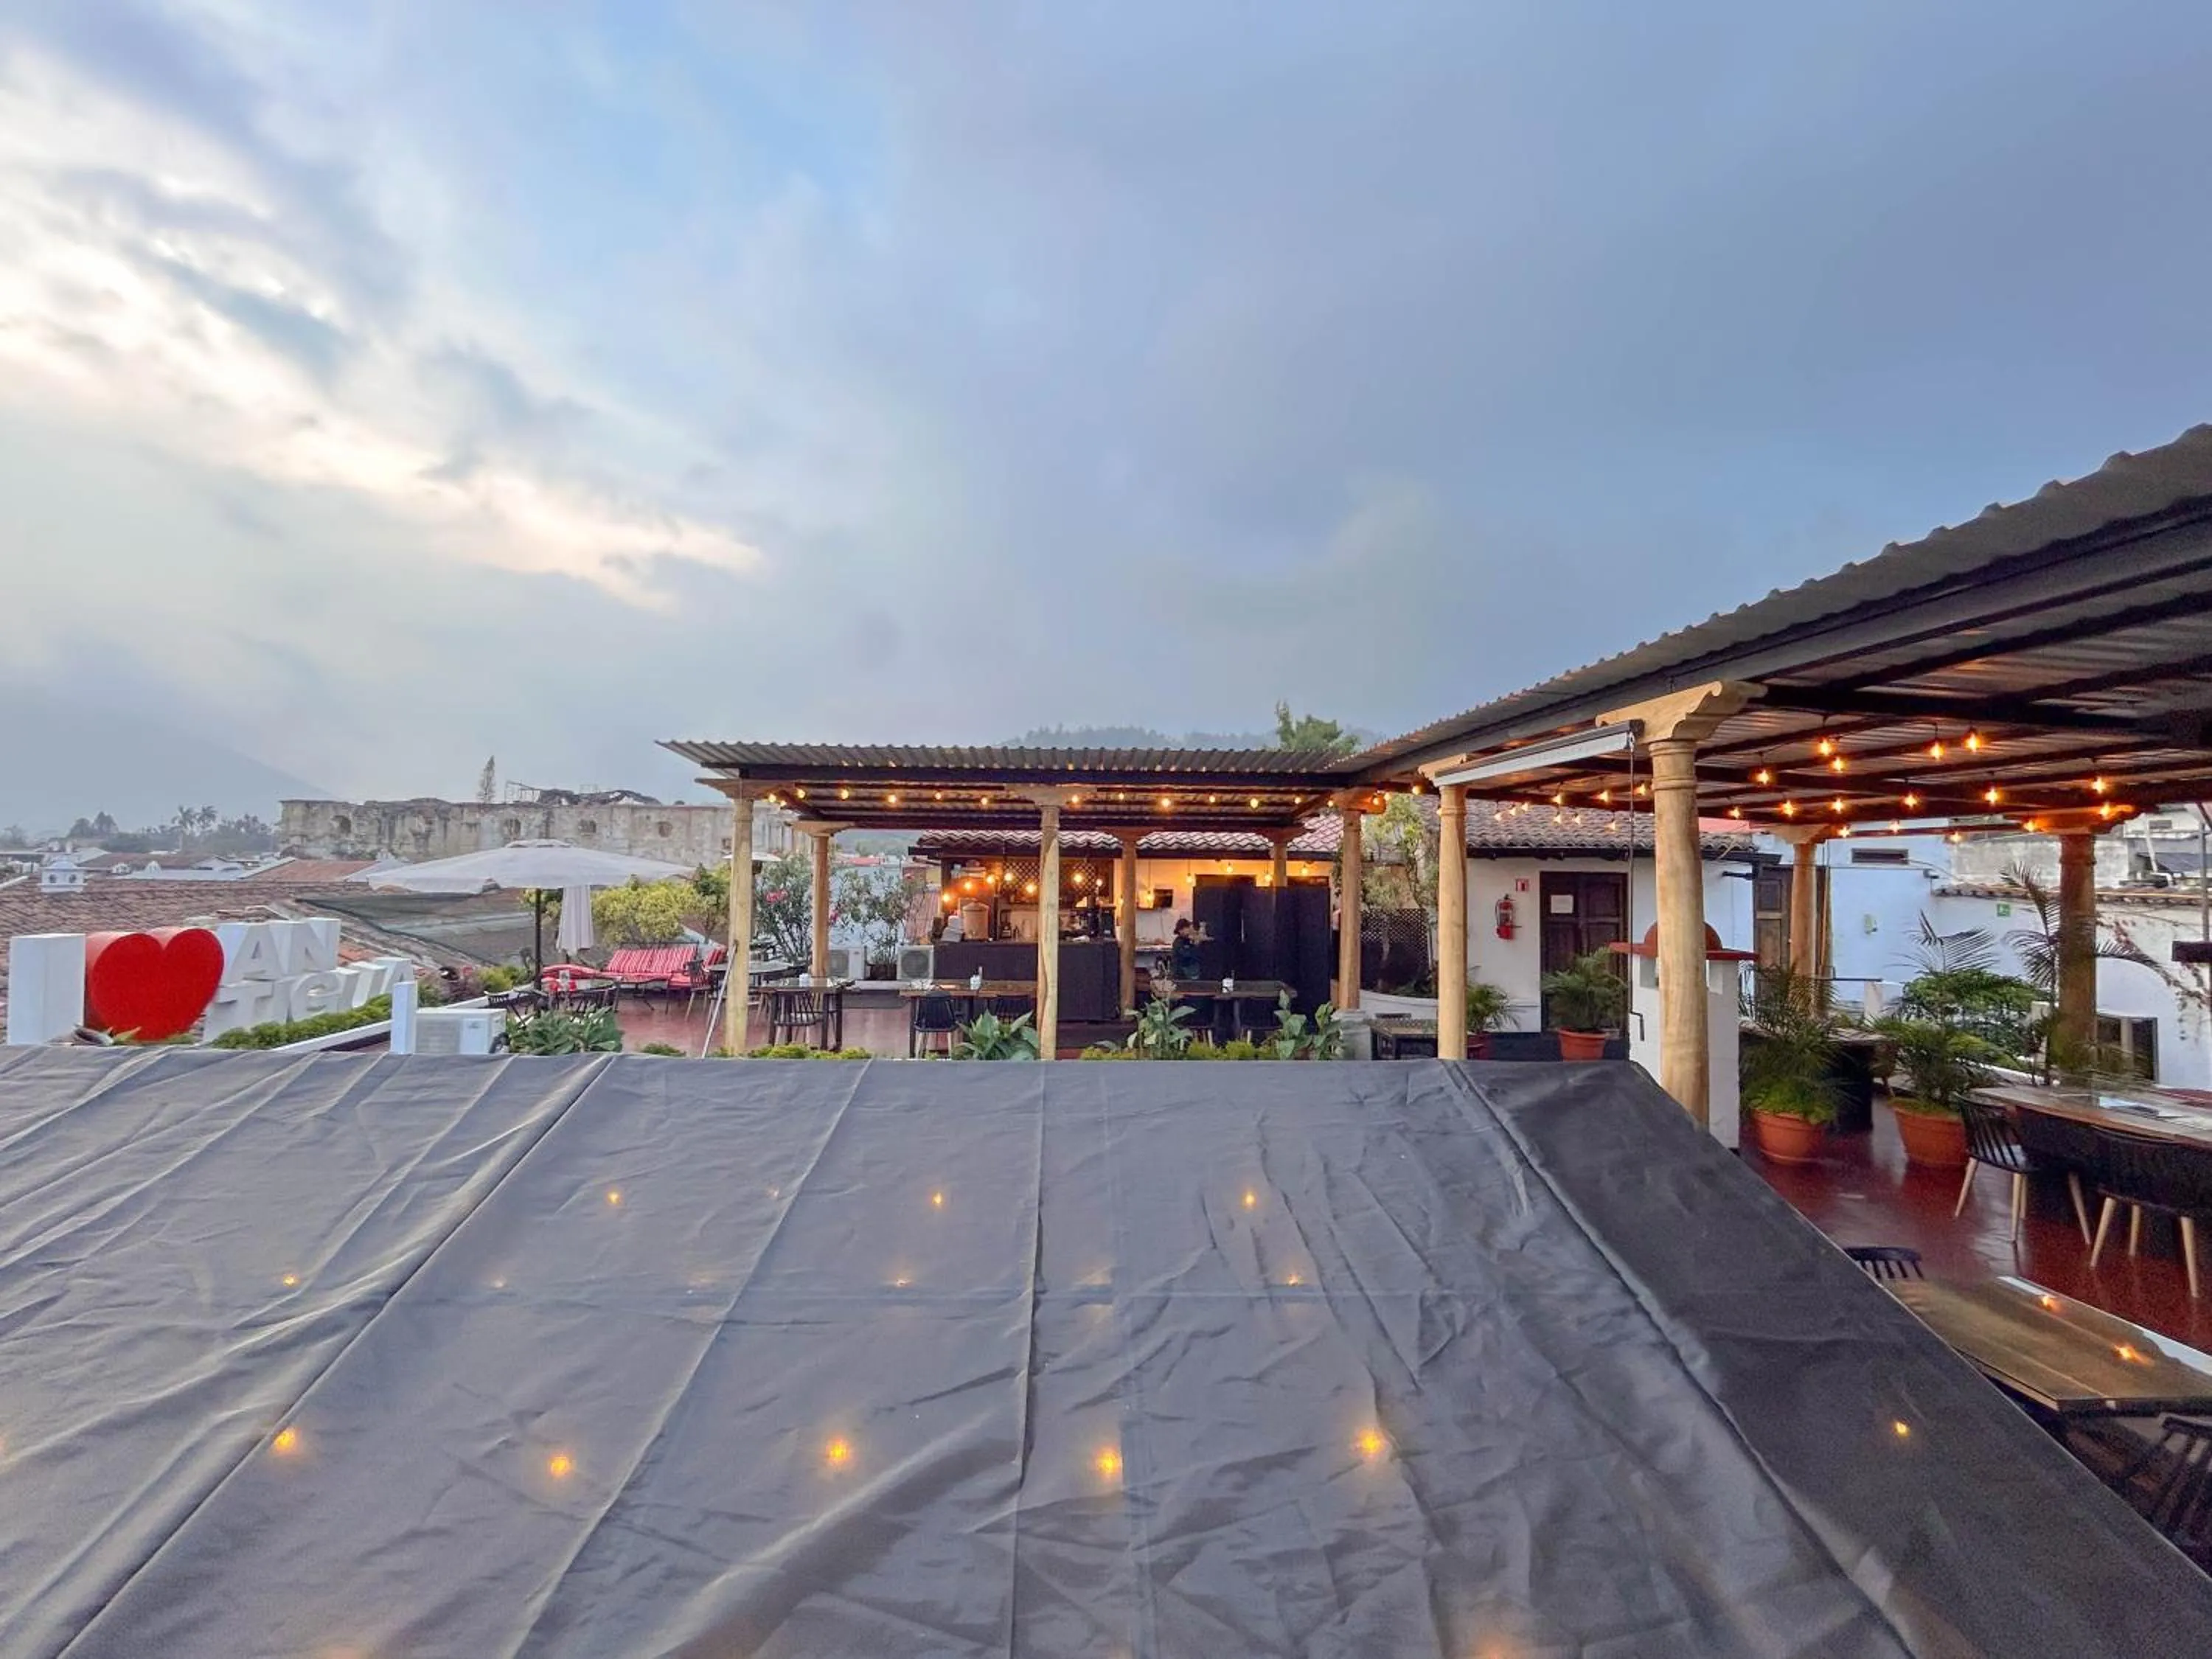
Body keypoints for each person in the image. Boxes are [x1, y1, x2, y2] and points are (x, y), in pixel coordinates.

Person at [1169, 917, 1200, 981]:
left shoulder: (1187, 940)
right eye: (1187, 928)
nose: (1189, 930)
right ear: (1181, 930)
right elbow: (1186, 954)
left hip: (1185, 972)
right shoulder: (1179, 942)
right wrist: (1195, 946)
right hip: (1179, 972)